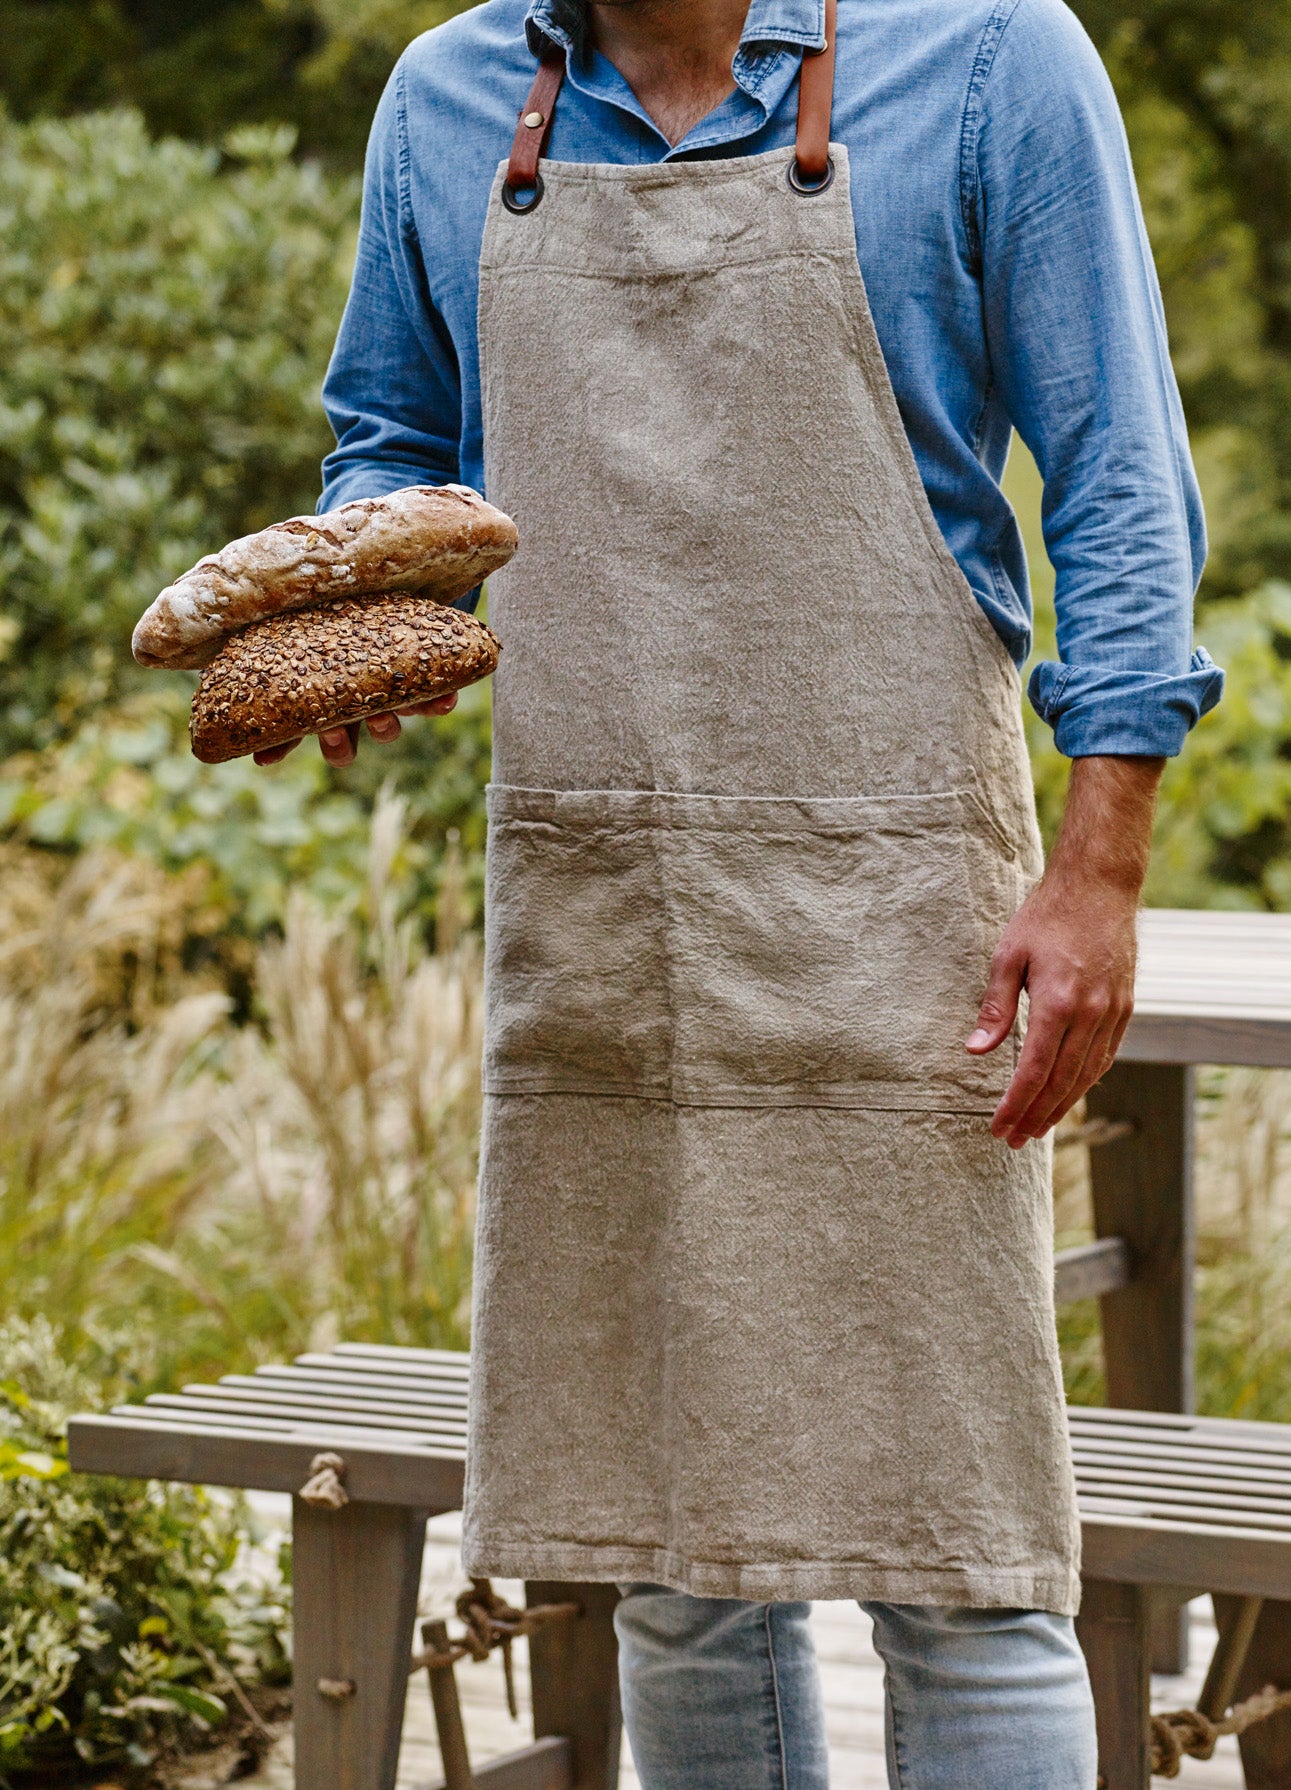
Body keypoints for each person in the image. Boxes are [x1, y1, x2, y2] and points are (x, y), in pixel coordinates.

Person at [275, 0, 1225, 1783]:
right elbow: (388, 449)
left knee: (965, 1563)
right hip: (599, 907)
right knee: (673, 1560)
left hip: (908, 914)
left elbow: (1121, 490)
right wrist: (361, 624)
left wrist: (1102, 864)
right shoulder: (455, 99)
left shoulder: (995, 59)